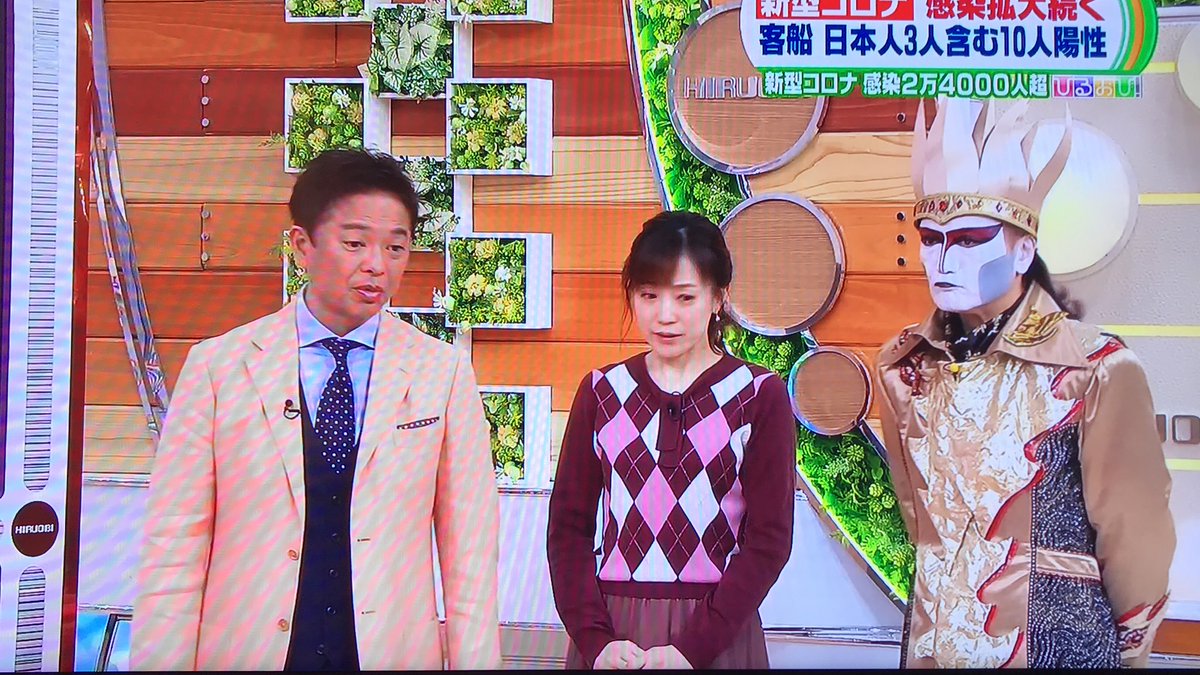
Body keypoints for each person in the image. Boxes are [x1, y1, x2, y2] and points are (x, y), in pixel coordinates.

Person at [132, 149, 502, 670]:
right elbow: (173, 550)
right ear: (302, 245)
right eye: (355, 243)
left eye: (396, 247)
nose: (377, 265)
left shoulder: (442, 373)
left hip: (386, 651)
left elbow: (471, 559)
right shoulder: (218, 368)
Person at [876, 97, 1176, 668]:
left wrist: (1126, 652)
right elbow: (922, 524)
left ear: (1022, 251)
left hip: (1059, 644)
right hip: (936, 643)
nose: (944, 259)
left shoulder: (1095, 367)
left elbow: (1136, 535)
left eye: (970, 239)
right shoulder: (904, 368)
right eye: (931, 238)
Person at [547, 210, 797, 670]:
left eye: (685, 297)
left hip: (716, 637)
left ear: (718, 298)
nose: (665, 316)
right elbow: (567, 529)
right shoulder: (601, 391)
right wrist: (594, 639)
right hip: (614, 637)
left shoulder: (759, 394)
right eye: (649, 295)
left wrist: (693, 649)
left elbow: (769, 542)